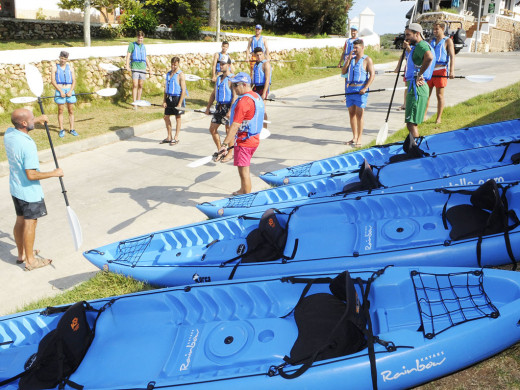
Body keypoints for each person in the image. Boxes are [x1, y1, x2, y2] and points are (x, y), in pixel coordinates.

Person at [4, 108, 64, 271]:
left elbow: (20, 124)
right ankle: (30, 261)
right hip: (29, 192)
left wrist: (36, 119)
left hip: (16, 188)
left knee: (20, 220)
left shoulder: (9, 134)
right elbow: (31, 174)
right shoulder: (28, 145)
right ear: (24, 123)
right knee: (31, 223)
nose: (34, 120)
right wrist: (54, 173)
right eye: (31, 119)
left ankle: (22, 254)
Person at [217, 72, 265, 196]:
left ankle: (246, 199)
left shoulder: (243, 102)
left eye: (235, 85)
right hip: (253, 138)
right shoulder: (257, 97)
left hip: (245, 141)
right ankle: (243, 190)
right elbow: (262, 116)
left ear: (243, 84)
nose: (233, 88)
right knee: (241, 168)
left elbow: (235, 125)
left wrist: (224, 144)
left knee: (244, 172)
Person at [341, 39, 375, 147]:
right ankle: (354, 136)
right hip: (350, 89)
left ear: (362, 48)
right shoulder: (351, 59)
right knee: (351, 114)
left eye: (356, 48)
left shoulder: (367, 60)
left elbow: (372, 75)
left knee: (359, 115)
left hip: (361, 90)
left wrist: (365, 88)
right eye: (353, 47)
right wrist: (348, 60)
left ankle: (359, 138)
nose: (354, 50)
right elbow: (343, 72)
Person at [404, 23, 435, 139]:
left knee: (411, 124)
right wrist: (408, 49)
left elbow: (429, 57)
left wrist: (420, 74)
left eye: (408, 35)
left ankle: (416, 150)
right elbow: (417, 59)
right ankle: (415, 148)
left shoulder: (421, 45)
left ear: (417, 34)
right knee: (412, 123)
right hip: (417, 87)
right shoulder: (420, 46)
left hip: (417, 88)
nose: (406, 37)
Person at [205, 58, 236, 162]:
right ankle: (221, 150)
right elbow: (214, 93)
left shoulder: (232, 78)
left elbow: (235, 96)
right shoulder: (219, 78)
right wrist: (208, 107)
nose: (221, 66)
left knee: (229, 131)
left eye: (223, 64)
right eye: (220, 64)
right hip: (219, 106)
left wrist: (231, 110)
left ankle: (230, 153)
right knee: (212, 129)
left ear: (229, 65)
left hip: (228, 106)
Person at [425, 21, 455, 123]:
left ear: (442, 29)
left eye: (436, 29)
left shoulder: (448, 41)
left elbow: (452, 56)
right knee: (426, 95)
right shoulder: (431, 41)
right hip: (430, 70)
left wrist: (451, 71)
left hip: (441, 70)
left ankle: (438, 118)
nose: (434, 31)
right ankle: (424, 116)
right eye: (433, 29)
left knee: (439, 95)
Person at [51, 51, 77, 138]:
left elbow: (74, 81)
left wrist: (70, 91)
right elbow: (53, 81)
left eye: (65, 59)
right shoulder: (54, 67)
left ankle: (72, 129)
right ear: (59, 57)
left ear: (67, 59)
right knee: (60, 110)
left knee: (71, 110)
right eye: (62, 58)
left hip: (69, 90)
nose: (63, 60)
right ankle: (61, 129)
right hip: (60, 90)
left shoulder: (70, 68)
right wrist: (61, 91)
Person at [161, 57, 187, 145]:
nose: (173, 66)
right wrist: (164, 100)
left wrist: (180, 103)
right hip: (169, 98)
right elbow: (165, 89)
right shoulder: (168, 74)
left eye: (175, 65)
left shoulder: (181, 74)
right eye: (172, 64)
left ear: (178, 64)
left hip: (177, 98)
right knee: (166, 117)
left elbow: (183, 90)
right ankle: (169, 136)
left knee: (178, 117)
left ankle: (176, 137)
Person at [125, 30, 154, 105]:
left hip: (142, 67)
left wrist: (150, 68)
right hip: (135, 67)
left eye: (141, 38)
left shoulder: (143, 46)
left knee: (140, 85)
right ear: (137, 37)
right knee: (135, 84)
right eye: (139, 38)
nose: (140, 40)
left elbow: (145, 57)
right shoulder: (132, 45)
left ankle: (138, 101)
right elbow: (128, 56)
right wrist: (127, 65)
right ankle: (134, 102)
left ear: (143, 38)